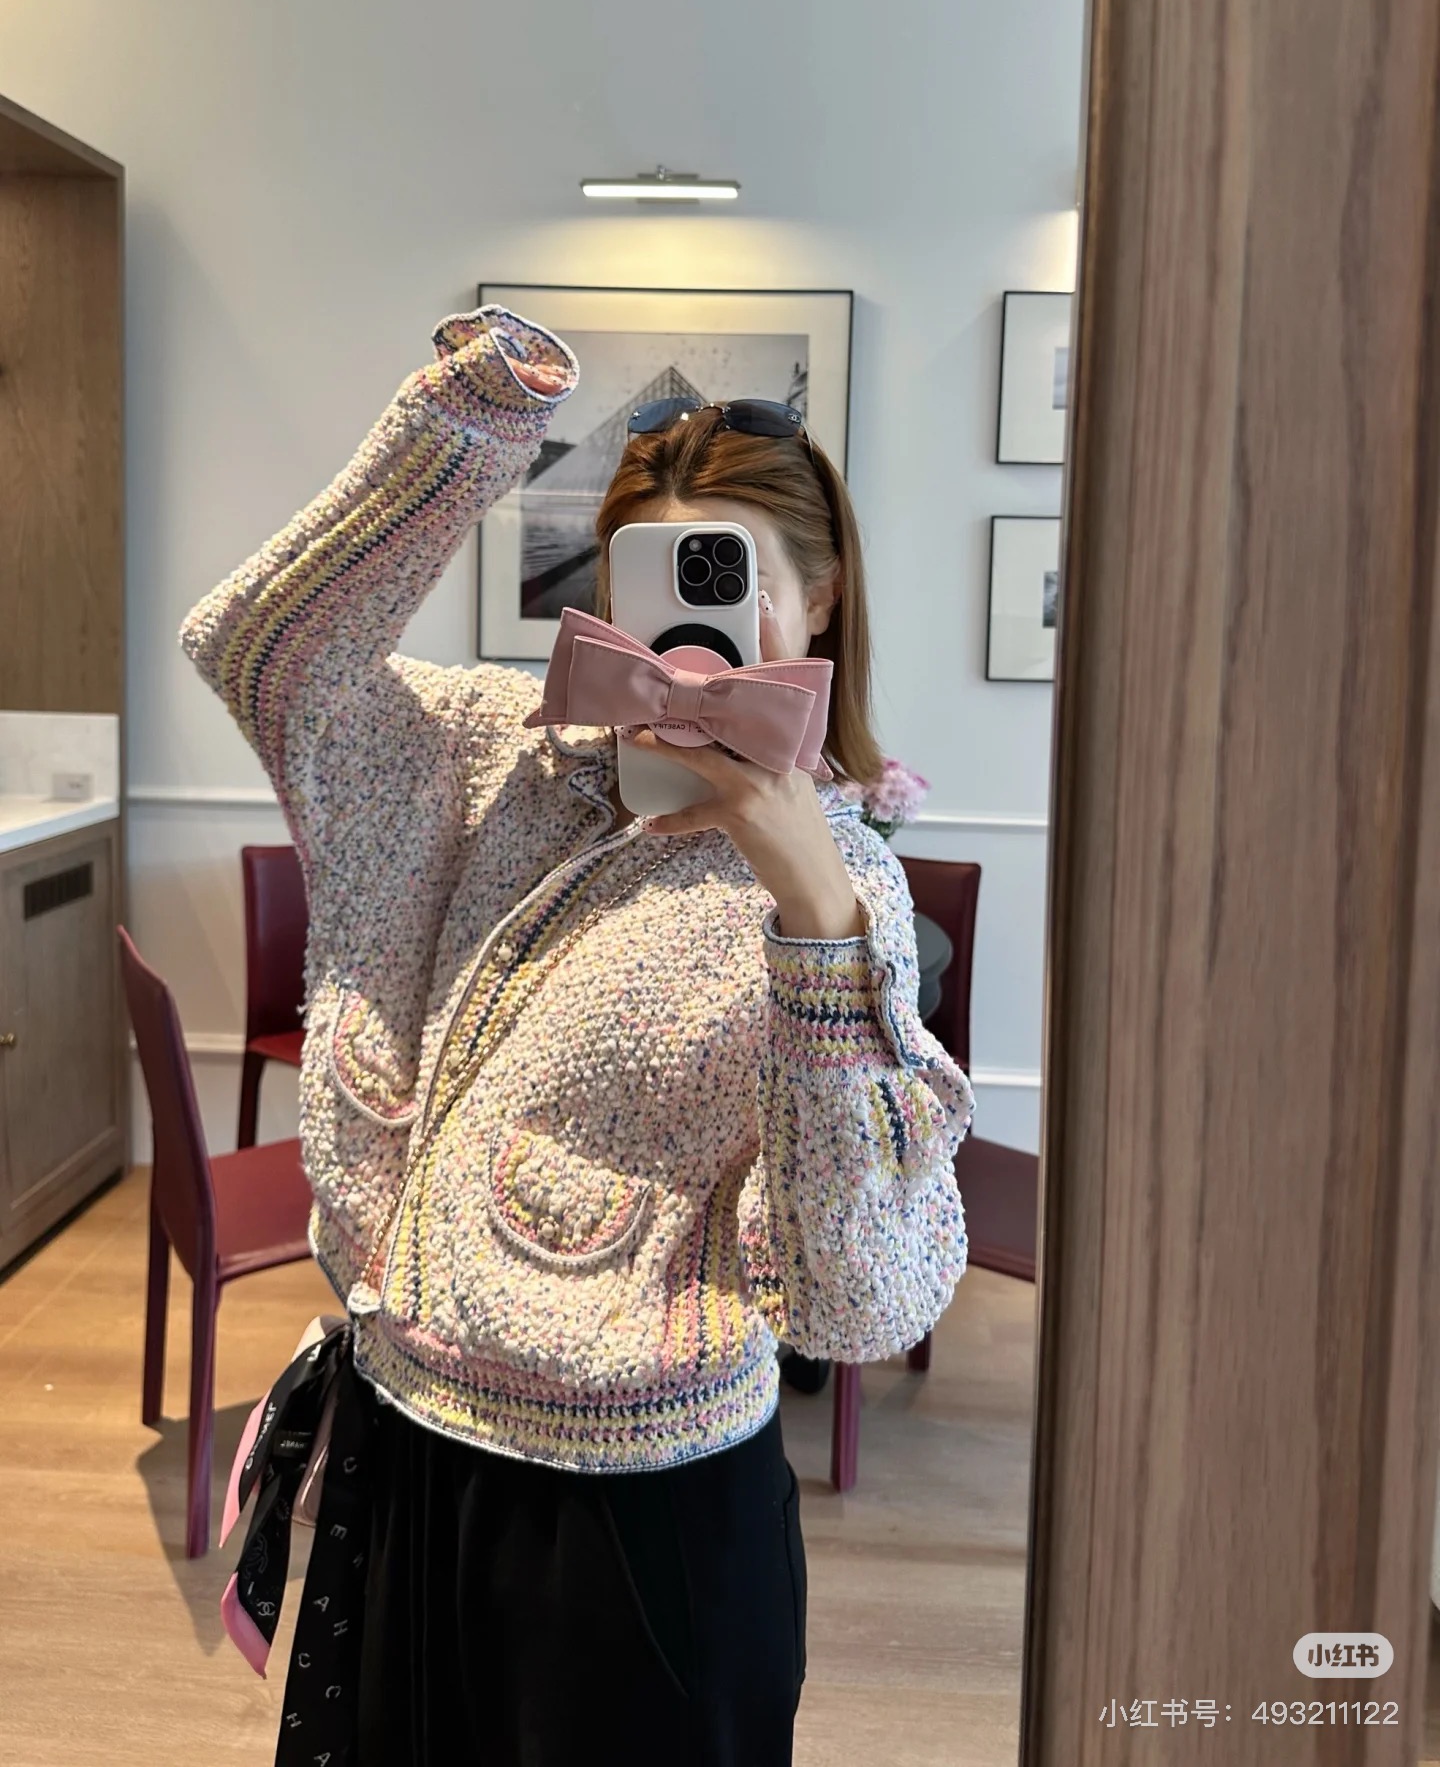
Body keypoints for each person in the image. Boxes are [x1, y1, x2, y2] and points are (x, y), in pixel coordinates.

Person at [180, 304, 973, 1767]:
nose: (684, 632)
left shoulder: (843, 891)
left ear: (819, 600)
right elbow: (261, 651)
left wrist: (809, 911)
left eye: (727, 579)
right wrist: (477, 416)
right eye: (646, 581)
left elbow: (864, 1303)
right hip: (404, 1454)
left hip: (635, 1532)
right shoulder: (495, 753)